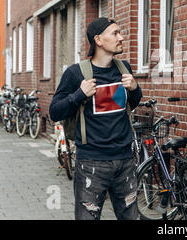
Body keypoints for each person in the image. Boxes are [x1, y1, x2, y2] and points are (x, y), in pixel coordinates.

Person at [49, 17, 142, 220]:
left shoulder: (124, 69)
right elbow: (55, 111)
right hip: (91, 164)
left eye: (120, 33)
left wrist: (135, 89)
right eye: (115, 33)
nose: (121, 37)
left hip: (125, 160)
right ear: (98, 40)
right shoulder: (75, 73)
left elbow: (131, 104)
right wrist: (79, 94)